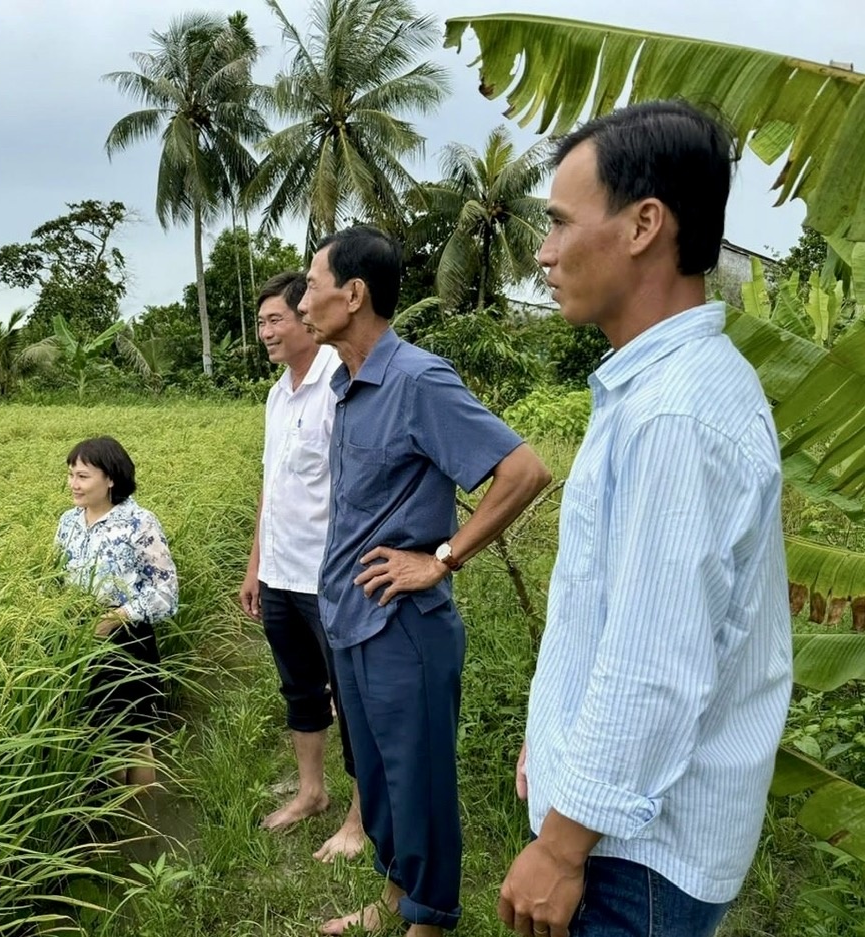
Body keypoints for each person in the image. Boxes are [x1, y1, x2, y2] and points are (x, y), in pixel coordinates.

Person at [498, 100, 792, 937]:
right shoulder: (656, 387)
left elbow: (654, 664)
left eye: (559, 223)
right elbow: (614, 614)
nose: (545, 252)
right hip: (628, 830)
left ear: (643, 226)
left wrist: (559, 846)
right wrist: (551, 744)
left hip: (637, 853)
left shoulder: (675, 415)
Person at [299, 225, 552, 937]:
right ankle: (395, 893)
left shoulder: (418, 378)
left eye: (313, 284)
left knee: (419, 781)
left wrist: (441, 558)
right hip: (350, 615)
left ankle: (431, 919)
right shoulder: (348, 384)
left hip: (402, 626)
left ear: (354, 294)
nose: (304, 297)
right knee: (376, 778)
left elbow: (524, 470)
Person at [239, 270, 366, 861]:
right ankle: (311, 792)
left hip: (329, 578)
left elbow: (353, 489)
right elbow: (272, 487)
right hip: (280, 573)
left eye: (275, 320)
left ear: (304, 320)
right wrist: (254, 567)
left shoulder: (339, 388)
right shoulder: (276, 394)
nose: (264, 331)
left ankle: (362, 819)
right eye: (261, 321)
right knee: (300, 690)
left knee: (353, 696)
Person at [55, 435, 178, 788]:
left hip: (127, 642)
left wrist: (116, 617)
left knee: (134, 739)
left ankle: (144, 827)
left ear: (110, 478)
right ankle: (115, 823)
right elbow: (56, 579)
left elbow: (166, 592)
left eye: (82, 476)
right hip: (79, 641)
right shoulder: (68, 523)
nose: (73, 484)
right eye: (71, 475)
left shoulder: (139, 523)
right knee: (97, 737)